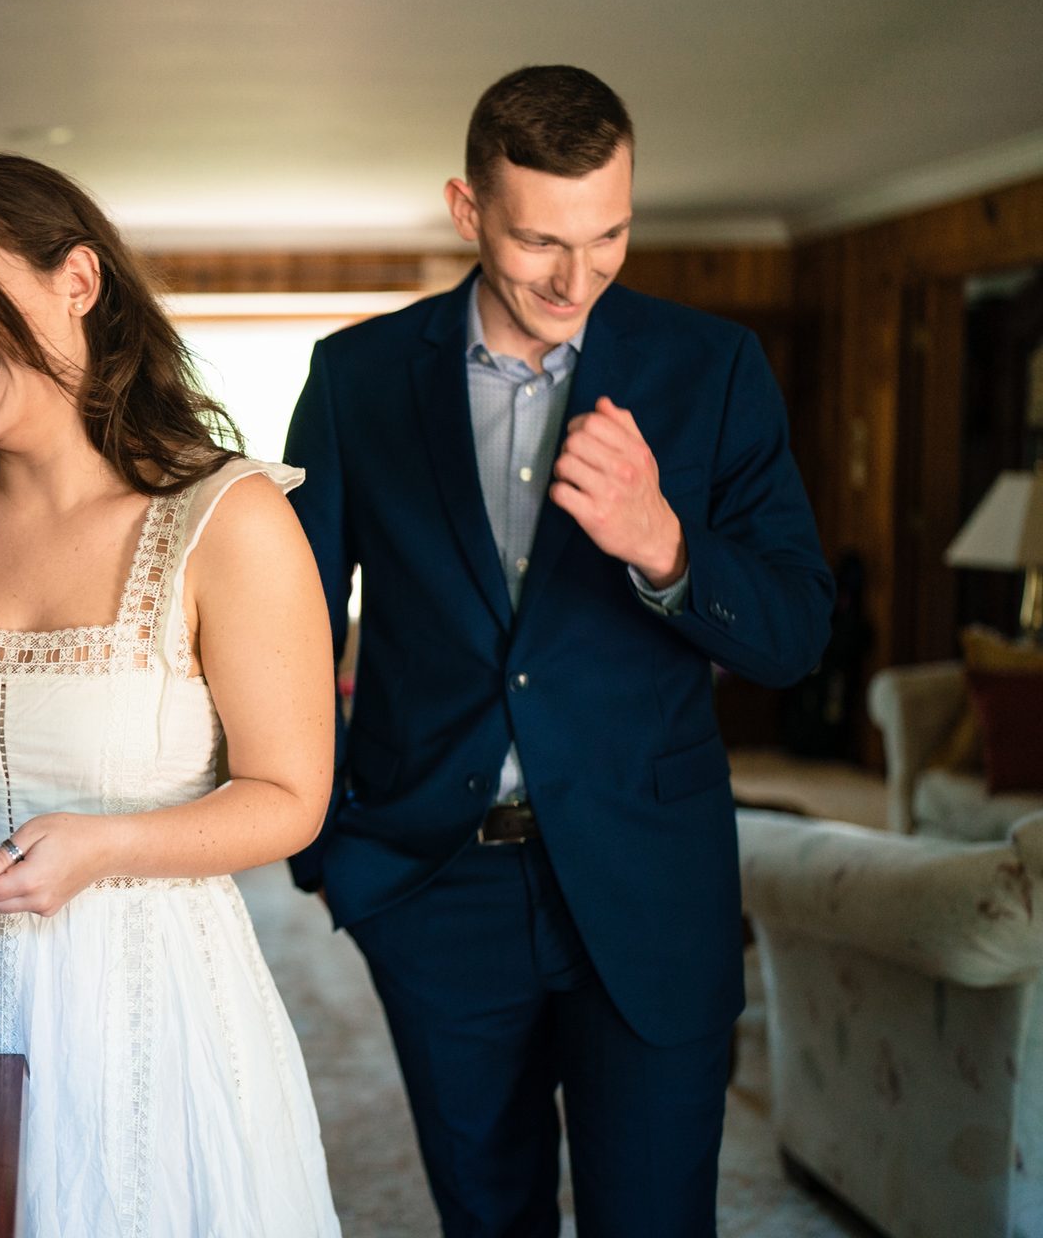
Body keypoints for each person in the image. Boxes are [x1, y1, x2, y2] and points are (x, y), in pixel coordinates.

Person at [283, 66, 833, 1236]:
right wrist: (328, 842)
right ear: (466, 209)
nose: (577, 278)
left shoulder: (715, 369)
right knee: (489, 1218)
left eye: (611, 235)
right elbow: (286, 624)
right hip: (436, 889)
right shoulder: (357, 381)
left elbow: (794, 631)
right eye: (540, 241)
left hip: (651, 880)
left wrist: (668, 544)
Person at [0, 152, 342, 1238]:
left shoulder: (229, 518)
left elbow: (290, 793)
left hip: (148, 1005)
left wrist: (101, 846)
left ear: (79, 281)